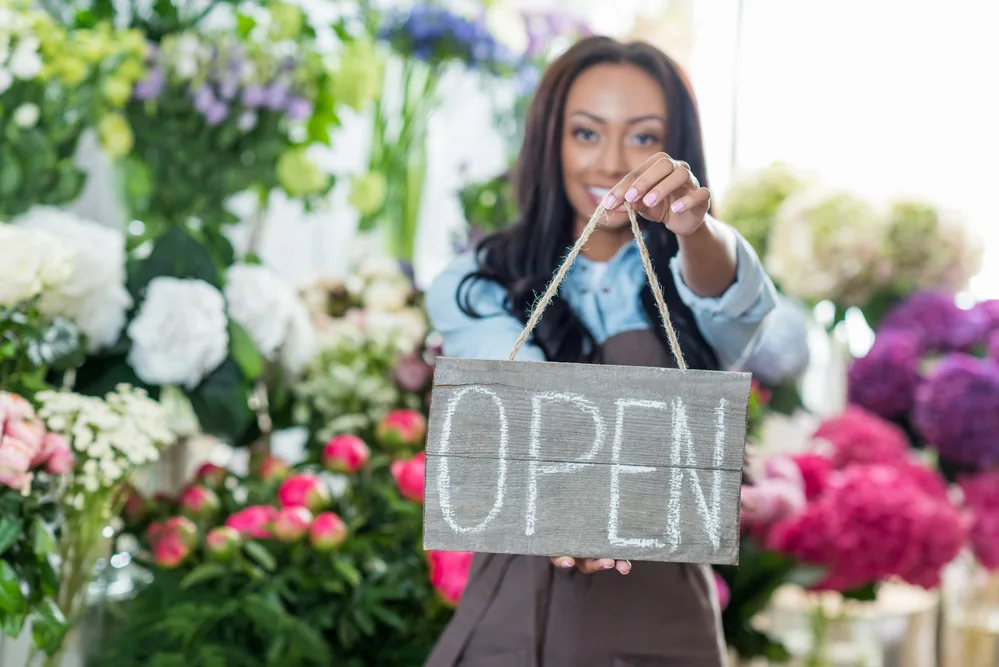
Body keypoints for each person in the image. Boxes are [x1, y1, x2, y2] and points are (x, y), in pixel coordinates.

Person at [422, 35, 779, 667]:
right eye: (586, 133)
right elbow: (526, 420)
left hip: (663, 620)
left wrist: (696, 230)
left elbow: (735, 300)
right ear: (549, 142)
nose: (612, 162)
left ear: (680, 153)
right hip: (517, 603)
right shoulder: (477, 283)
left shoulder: (697, 278)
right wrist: (570, 512)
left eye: (643, 138)